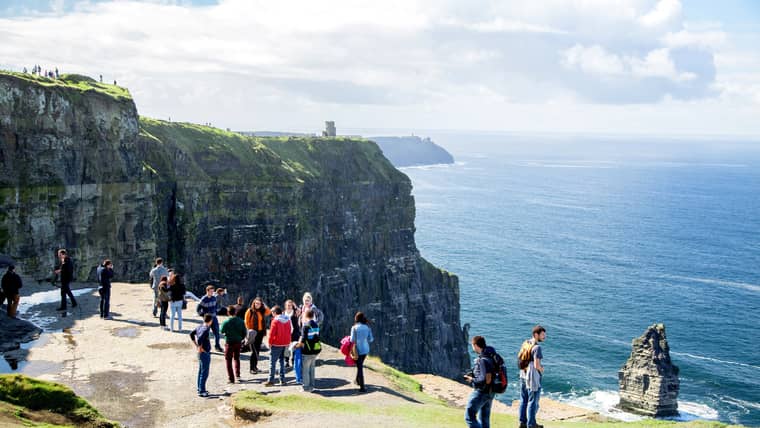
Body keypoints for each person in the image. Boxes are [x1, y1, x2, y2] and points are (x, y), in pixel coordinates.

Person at [464, 336, 497, 428]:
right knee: (484, 419)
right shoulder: (491, 355)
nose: (472, 348)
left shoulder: (483, 360)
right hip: (491, 391)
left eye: (472, 345)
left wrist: (472, 379)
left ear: (475, 345)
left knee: (469, 416)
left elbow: (484, 379)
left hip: (481, 392)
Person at [519, 325, 546, 428]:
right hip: (532, 376)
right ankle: (531, 424)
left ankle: (522, 423)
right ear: (536, 335)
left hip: (523, 374)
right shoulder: (537, 347)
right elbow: (536, 365)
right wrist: (541, 369)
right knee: (533, 401)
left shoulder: (526, 343)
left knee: (523, 399)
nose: (544, 336)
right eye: (542, 334)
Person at [264, 305, 292, 386]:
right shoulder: (288, 320)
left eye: (272, 312)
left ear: (275, 312)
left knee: (272, 363)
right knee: (282, 362)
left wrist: (269, 343)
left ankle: (271, 380)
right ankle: (282, 380)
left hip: (276, 344)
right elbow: (290, 331)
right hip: (285, 343)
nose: (272, 314)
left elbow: (272, 334)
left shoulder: (275, 321)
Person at [295, 308, 321, 392]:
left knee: (305, 370)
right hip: (315, 350)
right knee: (312, 369)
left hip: (307, 351)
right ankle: (312, 386)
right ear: (313, 316)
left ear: (305, 316)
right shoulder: (316, 325)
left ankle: (306, 387)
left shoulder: (305, 326)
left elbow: (303, 339)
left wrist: (297, 346)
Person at [244, 297, 270, 374]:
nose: (257, 305)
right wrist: (249, 331)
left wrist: (264, 305)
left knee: (257, 350)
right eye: (256, 303)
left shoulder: (262, 311)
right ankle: (251, 368)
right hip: (252, 333)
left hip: (260, 333)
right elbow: (246, 322)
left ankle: (255, 367)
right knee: (254, 351)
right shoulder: (250, 311)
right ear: (253, 303)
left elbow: (268, 312)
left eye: (259, 303)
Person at [221, 305, 247, 383]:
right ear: (235, 312)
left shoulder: (226, 322)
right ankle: (238, 375)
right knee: (236, 358)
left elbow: (222, 331)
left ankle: (231, 378)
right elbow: (244, 333)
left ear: (228, 313)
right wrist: (240, 338)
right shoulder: (241, 321)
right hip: (238, 342)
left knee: (228, 360)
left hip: (229, 342)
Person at [190, 314, 213, 397]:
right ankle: (202, 391)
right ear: (210, 321)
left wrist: (197, 346)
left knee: (200, 371)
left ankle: (199, 388)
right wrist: (199, 347)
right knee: (204, 372)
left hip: (200, 353)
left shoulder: (199, 326)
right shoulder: (206, 329)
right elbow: (200, 339)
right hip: (204, 353)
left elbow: (191, 334)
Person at [350, 311, 373, 393]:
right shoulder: (367, 327)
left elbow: (352, 340)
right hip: (365, 349)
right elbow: (371, 339)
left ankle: (362, 387)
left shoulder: (354, 328)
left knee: (360, 367)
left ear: (356, 318)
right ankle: (357, 380)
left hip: (357, 350)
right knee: (360, 365)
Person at [197, 285, 223, 352]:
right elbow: (198, 309)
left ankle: (217, 346)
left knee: (217, 333)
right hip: (207, 320)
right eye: (211, 291)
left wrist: (216, 311)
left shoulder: (214, 298)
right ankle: (206, 348)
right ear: (207, 291)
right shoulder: (203, 299)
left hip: (214, 318)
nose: (212, 293)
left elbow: (216, 305)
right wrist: (203, 315)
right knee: (206, 335)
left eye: (213, 291)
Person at [284, 299, 301, 379]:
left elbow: (299, 311)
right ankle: (286, 361)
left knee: (294, 347)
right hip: (286, 333)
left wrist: (295, 305)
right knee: (286, 347)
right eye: (288, 305)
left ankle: (293, 360)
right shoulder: (283, 313)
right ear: (285, 306)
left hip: (295, 333)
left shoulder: (295, 313)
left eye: (290, 305)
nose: (289, 306)